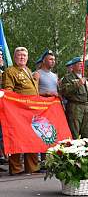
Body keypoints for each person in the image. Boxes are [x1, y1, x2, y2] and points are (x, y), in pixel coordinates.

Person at [2, 47, 40, 175]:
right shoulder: (10, 71)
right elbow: (8, 91)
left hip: (32, 111)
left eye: (24, 55)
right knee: (17, 139)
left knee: (32, 137)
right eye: (19, 55)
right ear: (14, 57)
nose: (22, 57)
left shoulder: (29, 71)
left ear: (27, 58)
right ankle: (16, 168)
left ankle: (33, 167)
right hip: (18, 111)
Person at [61, 57, 88, 139]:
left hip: (87, 107)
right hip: (75, 107)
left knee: (86, 133)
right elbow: (64, 91)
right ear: (73, 66)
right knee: (74, 132)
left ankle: (86, 151)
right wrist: (77, 84)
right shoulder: (68, 77)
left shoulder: (86, 78)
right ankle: (74, 151)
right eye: (79, 64)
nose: (82, 66)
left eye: (82, 64)